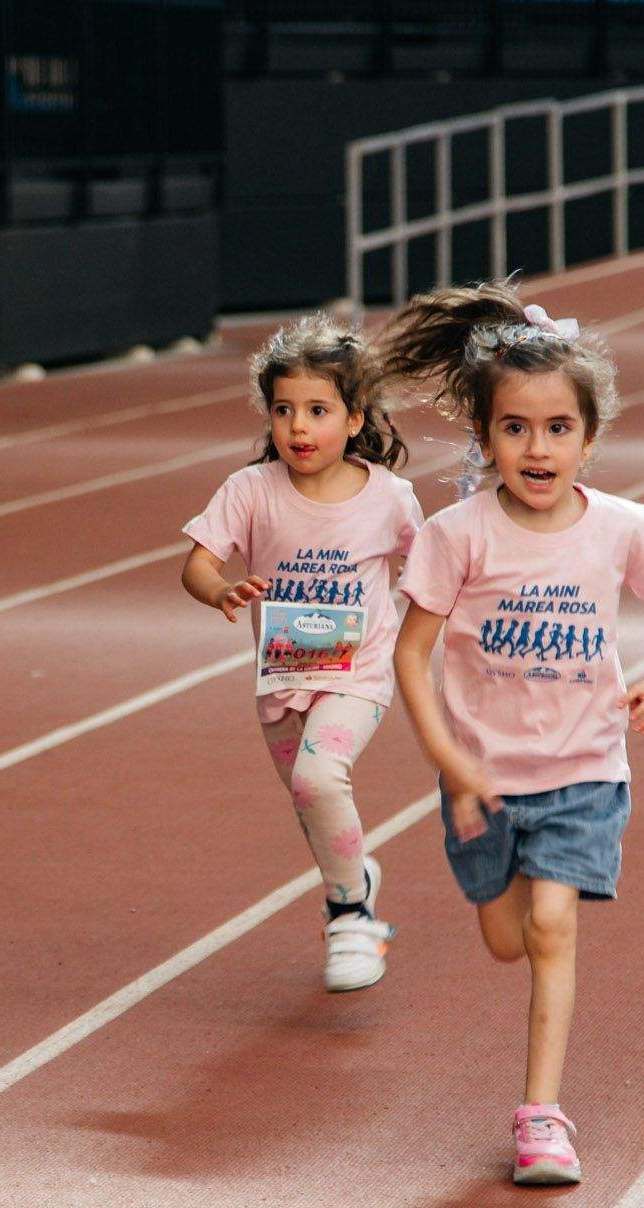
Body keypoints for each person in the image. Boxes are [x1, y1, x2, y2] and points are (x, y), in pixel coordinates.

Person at [381, 283, 644, 1184]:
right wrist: (446, 757)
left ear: (589, 439)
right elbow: (412, 653)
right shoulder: (457, 535)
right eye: (516, 428)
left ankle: (541, 1117)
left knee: (553, 925)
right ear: (485, 438)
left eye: (559, 428)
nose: (538, 447)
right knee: (504, 936)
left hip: (587, 769)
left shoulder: (622, 528)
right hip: (482, 779)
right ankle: (504, 895)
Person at [179, 315, 424, 991]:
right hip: (283, 676)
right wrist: (221, 591)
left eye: (318, 410)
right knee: (308, 798)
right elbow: (198, 563)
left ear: (354, 418)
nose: (298, 426)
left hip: (360, 672)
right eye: (284, 410)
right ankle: (355, 873)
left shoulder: (389, 497)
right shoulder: (250, 490)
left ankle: (351, 914)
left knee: (319, 778)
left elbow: (429, 565)